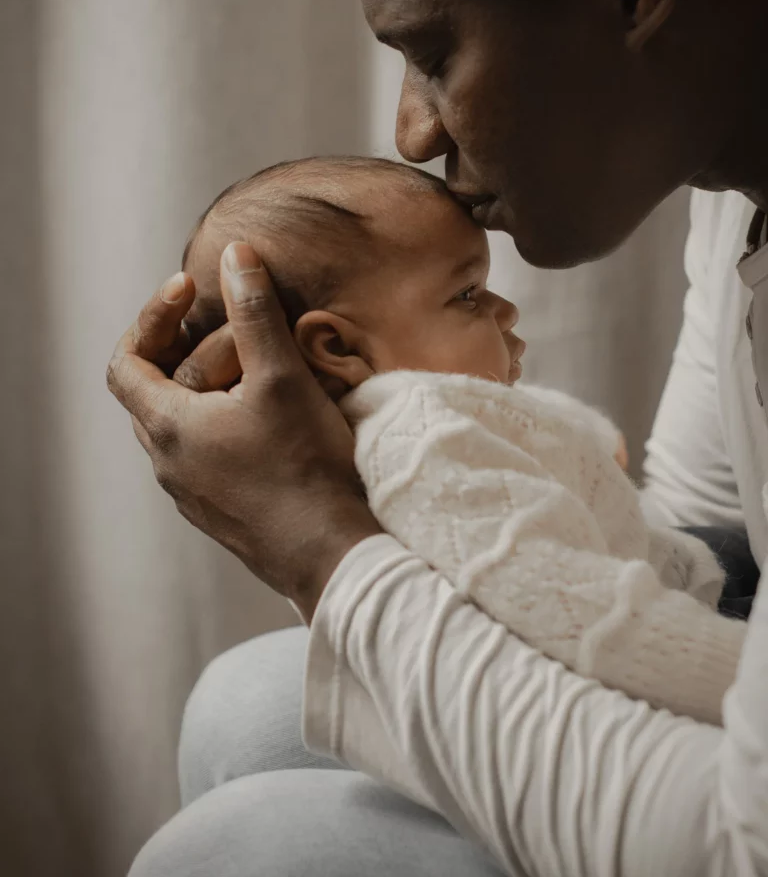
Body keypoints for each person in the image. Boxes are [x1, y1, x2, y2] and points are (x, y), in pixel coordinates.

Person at [107, 0, 768, 873]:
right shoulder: (734, 193)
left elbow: (736, 845)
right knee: (246, 706)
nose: (410, 134)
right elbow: (710, 545)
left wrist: (321, 545)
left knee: (226, 850)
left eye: (431, 49)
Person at [186, 154, 739, 725]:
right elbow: (588, 623)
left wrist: (593, 447)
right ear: (337, 348)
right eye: (468, 294)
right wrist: (743, 680)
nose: (507, 310)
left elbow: (527, 422)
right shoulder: (422, 449)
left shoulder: (430, 422)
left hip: (674, 577)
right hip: (666, 661)